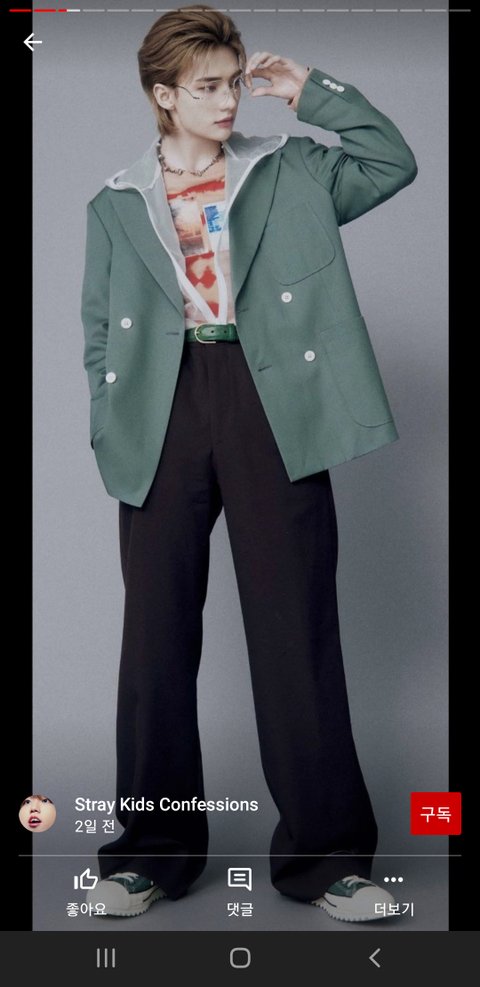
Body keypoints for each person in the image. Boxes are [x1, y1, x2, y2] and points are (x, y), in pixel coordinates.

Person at [81, 4, 417, 921]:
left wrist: (310, 91)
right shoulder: (116, 201)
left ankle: (328, 861)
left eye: (234, 82)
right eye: (207, 86)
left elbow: (391, 160)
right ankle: (150, 855)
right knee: (154, 643)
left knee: (294, 632)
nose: (229, 99)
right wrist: (112, 419)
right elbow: (98, 328)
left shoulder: (292, 170)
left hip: (275, 401)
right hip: (163, 409)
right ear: (163, 96)